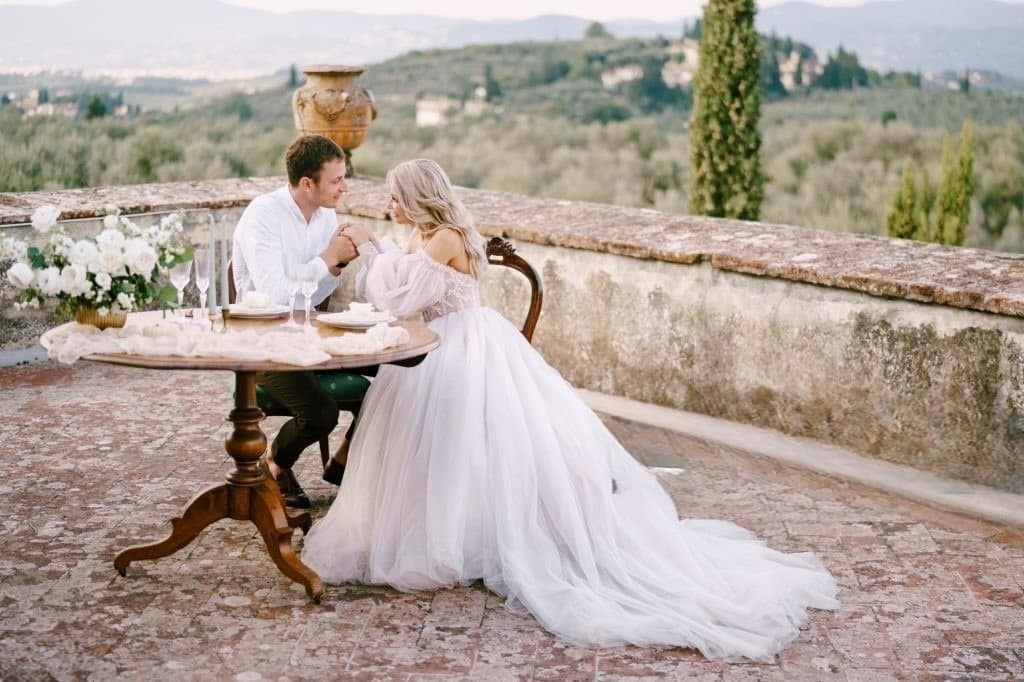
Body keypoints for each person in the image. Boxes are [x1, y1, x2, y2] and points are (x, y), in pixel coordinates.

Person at [300, 158, 839, 660]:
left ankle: (478, 538)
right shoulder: (422, 235)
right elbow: (400, 283)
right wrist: (383, 252)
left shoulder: (444, 237)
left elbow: (399, 299)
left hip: (463, 348)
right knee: (437, 449)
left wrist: (370, 250)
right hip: (431, 346)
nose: (390, 207)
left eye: (396, 198)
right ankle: (442, 530)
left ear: (418, 198)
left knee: (469, 442)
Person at [231, 134, 358, 508]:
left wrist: (337, 263)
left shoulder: (326, 216)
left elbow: (313, 296)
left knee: (391, 381)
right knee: (321, 413)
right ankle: (275, 466)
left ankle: (345, 467)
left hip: (307, 337)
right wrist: (324, 260)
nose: (343, 187)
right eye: (336, 180)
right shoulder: (263, 215)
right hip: (261, 342)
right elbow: (273, 296)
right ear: (307, 184)